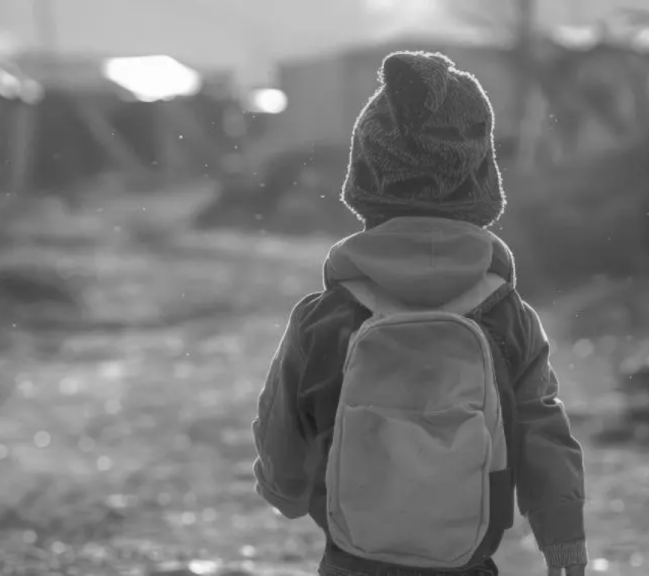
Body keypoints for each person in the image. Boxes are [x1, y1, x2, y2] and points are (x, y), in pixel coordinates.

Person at [251, 51, 587, 576]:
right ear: (481, 181)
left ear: (365, 178)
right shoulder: (507, 315)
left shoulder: (325, 316)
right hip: (467, 559)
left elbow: (284, 432)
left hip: (353, 559)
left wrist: (286, 490)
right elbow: (542, 428)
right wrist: (562, 532)